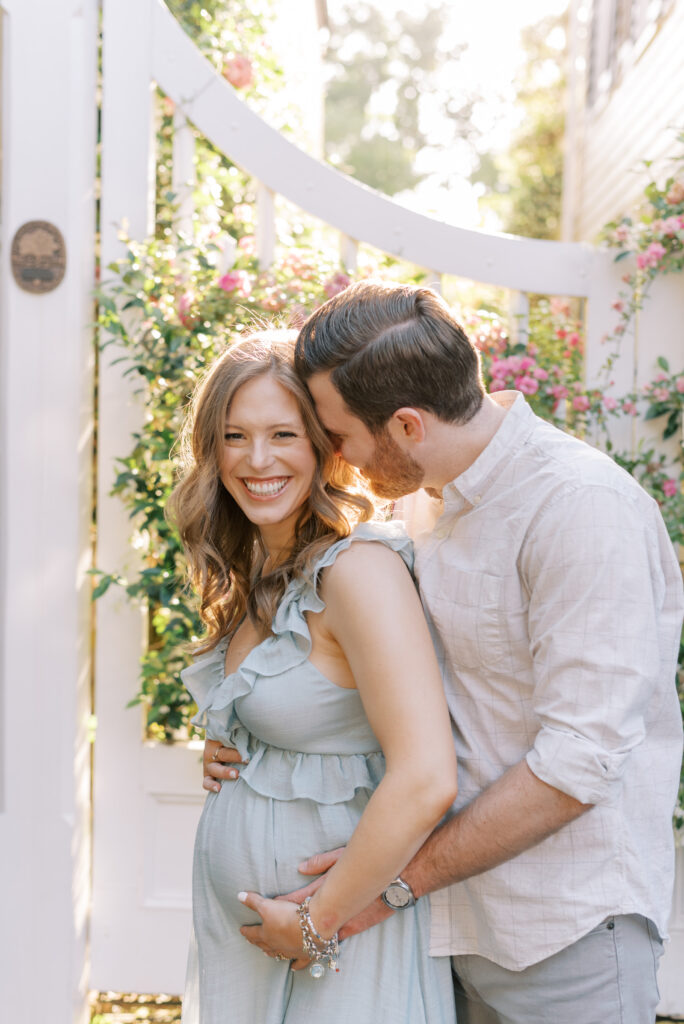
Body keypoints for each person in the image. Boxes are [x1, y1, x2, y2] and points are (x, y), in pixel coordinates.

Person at [207, 282, 684, 1024]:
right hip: (444, 935)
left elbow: (578, 760)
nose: (335, 455)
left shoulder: (582, 511)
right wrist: (249, 739)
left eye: (338, 435)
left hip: (560, 933)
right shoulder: (418, 497)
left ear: (404, 425)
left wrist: (378, 893)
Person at [171, 329, 458, 1024]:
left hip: (336, 948)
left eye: (283, 434)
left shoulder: (358, 571)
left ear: (327, 446)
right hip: (268, 952)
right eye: (235, 436)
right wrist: (242, 749)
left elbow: (426, 778)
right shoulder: (267, 571)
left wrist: (315, 923)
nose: (257, 459)